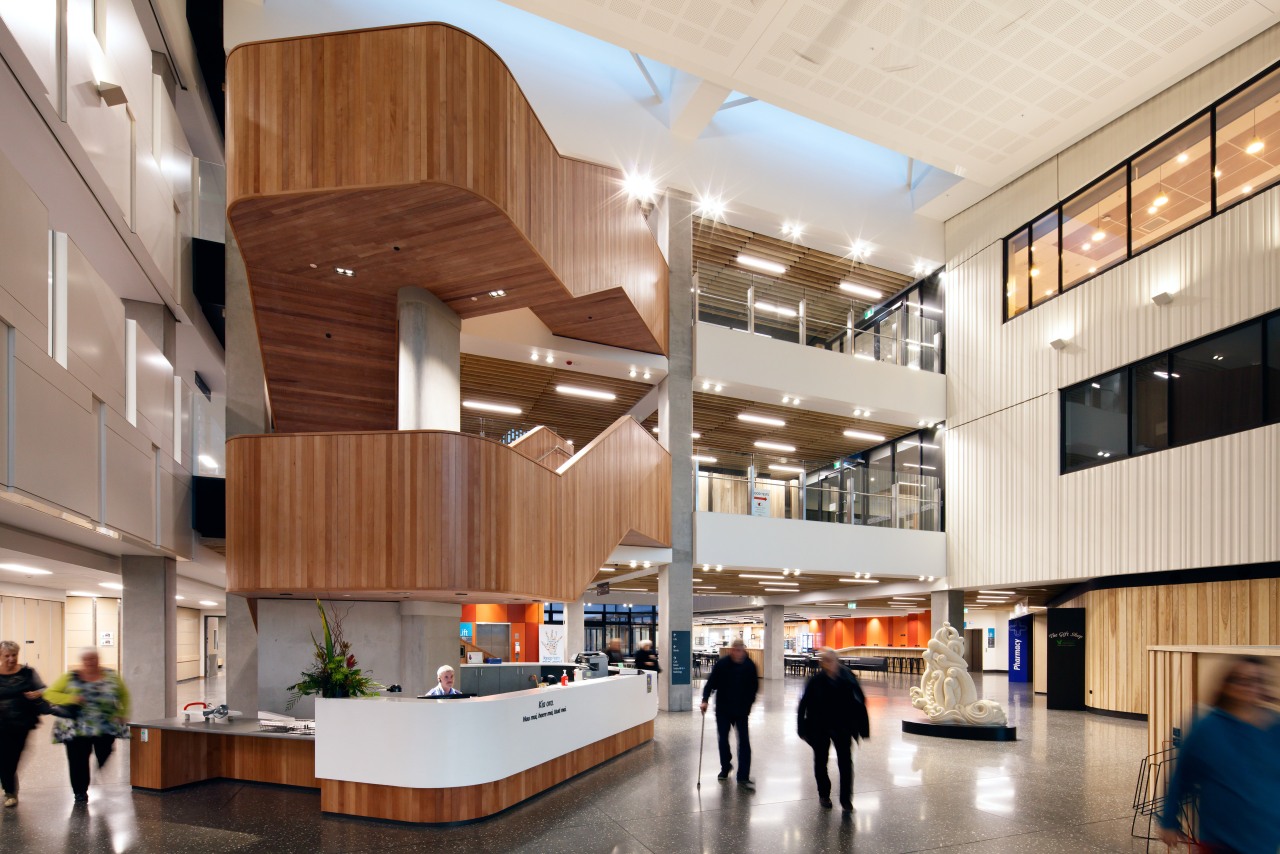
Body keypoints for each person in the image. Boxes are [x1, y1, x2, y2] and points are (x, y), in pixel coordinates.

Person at [1157, 656, 1280, 853]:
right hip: (1220, 842)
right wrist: (1169, 820)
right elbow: (1181, 777)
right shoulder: (1207, 728)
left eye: (1256, 681)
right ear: (1226, 685)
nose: (1248, 686)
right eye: (1240, 680)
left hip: (1263, 841)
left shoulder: (1275, 728)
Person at [43, 648, 130, 804]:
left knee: (105, 751)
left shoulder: (111, 676)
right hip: (76, 727)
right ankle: (80, 792)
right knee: (77, 760)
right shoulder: (70, 677)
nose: (90, 662)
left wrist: (124, 712)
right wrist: (71, 697)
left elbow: (123, 695)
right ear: (82, 661)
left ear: (98, 659)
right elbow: (50, 693)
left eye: (94, 659)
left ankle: (99, 766)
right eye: (87, 659)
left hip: (105, 725)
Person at [797, 647, 868, 812]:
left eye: (830, 660)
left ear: (836, 660)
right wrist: (801, 727)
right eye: (824, 661)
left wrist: (862, 728)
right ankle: (824, 794)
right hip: (820, 726)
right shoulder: (815, 680)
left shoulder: (848, 678)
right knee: (821, 761)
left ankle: (846, 799)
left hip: (842, 727)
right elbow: (803, 704)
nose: (827, 663)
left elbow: (860, 702)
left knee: (845, 763)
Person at [700, 638, 759, 790]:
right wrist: (705, 699)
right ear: (732, 650)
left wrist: (749, 704)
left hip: (741, 710)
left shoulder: (749, 665)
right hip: (723, 709)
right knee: (723, 740)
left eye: (741, 651)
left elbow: (754, 687)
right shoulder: (723, 664)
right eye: (736, 650)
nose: (738, 654)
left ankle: (743, 776)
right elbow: (711, 682)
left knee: (744, 743)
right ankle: (726, 767)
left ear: (743, 650)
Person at [0, 640, 46, 808]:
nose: (11, 659)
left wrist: (37, 693)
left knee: (13, 757)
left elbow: (43, 688)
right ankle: (9, 791)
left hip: (22, 723)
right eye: (7, 656)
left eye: (14, 655)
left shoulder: (27, 672)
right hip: (1, 724)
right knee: (3, 757)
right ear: (0, 656)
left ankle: (9, 781)